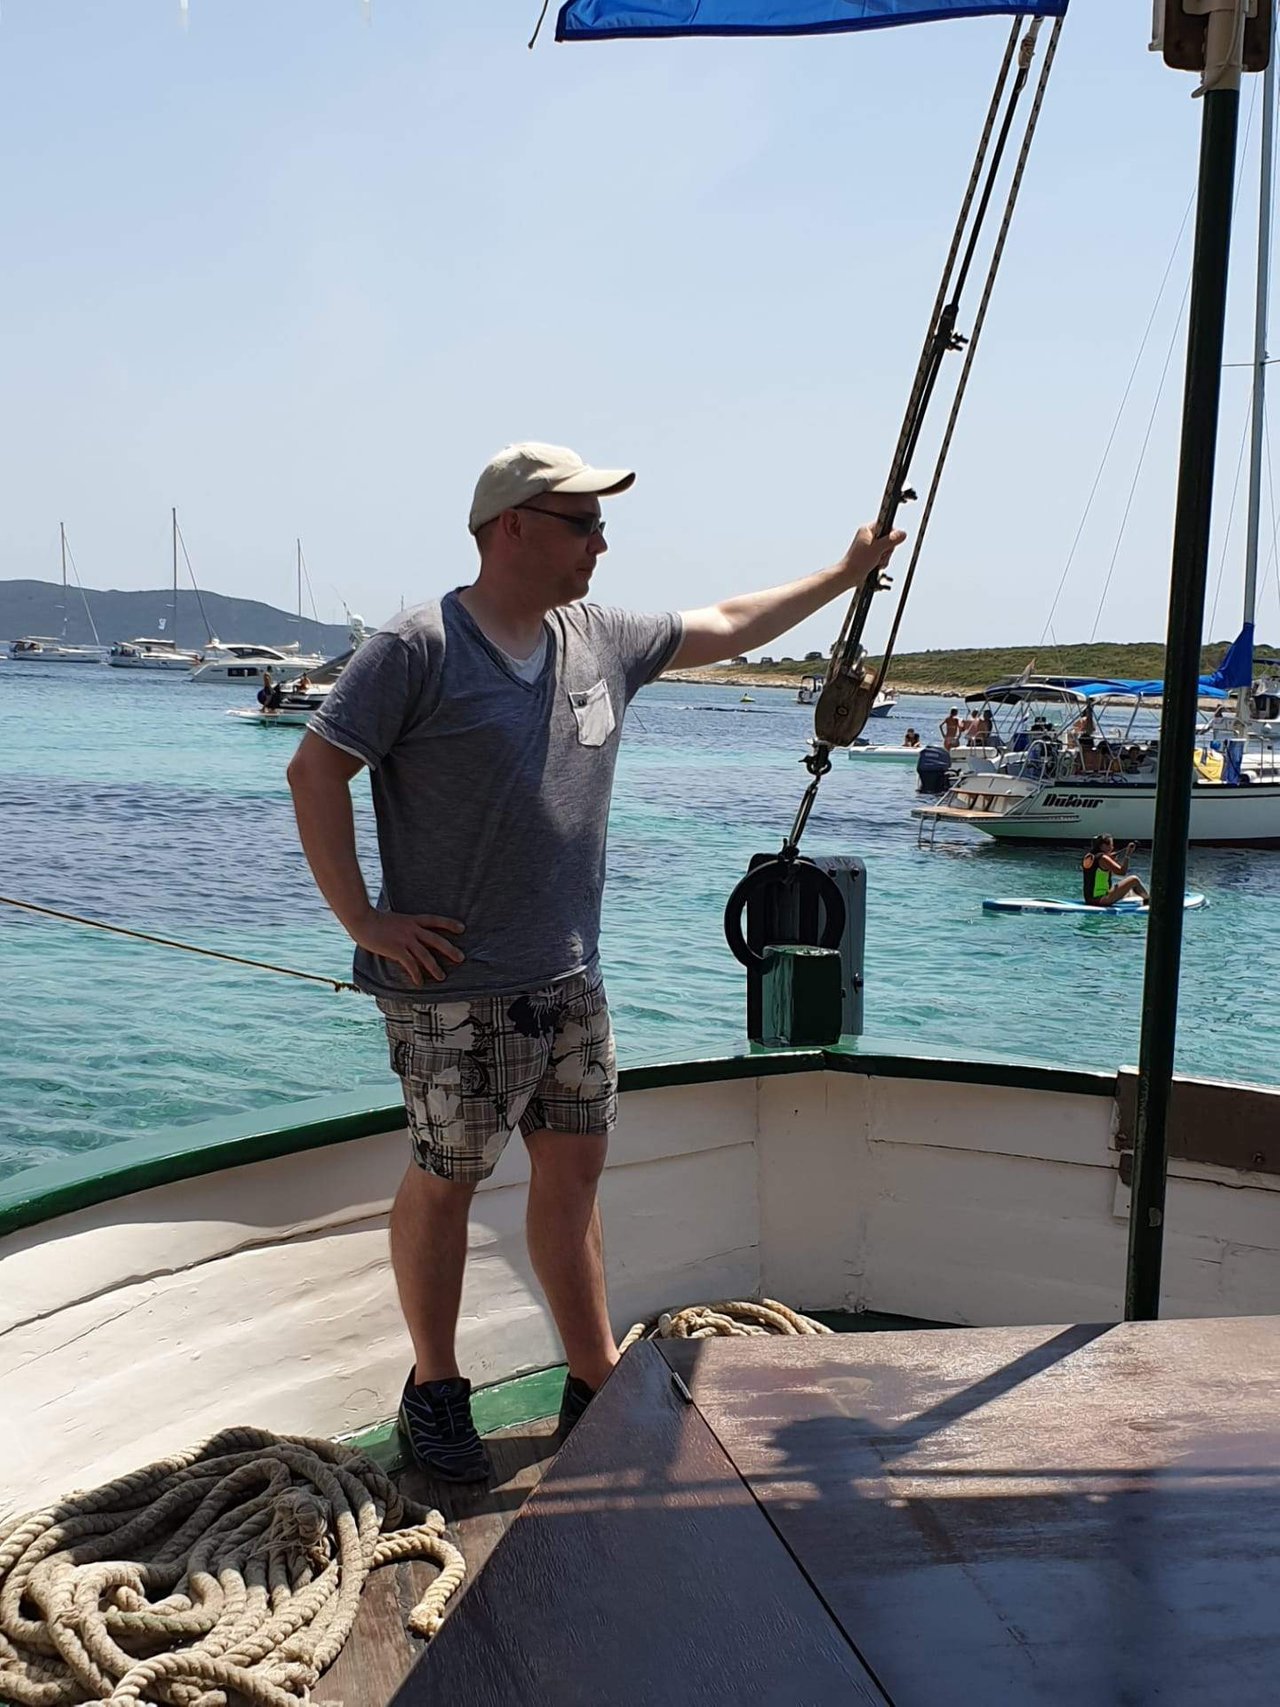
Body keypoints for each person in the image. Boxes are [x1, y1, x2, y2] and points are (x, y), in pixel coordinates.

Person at [286, 440, 905, 1482]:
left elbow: (726, 623)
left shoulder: (599, 639)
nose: (601, 545)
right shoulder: (418, 646)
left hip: (571, 980)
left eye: (601, 526)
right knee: (447, 1179)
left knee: (572, 1178)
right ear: (511, 527)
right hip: (454, 991)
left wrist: (843, 575)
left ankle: (591, 1376)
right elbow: (315, 772)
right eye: (582, 524)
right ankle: (435, 1390)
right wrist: (366, 922)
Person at [1081, 834, 1149, 907]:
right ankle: (1148, 901)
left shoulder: (1088, 856)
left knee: (1128, 892)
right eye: (1111, 845)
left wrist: (1109, 858)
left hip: (1089, 899)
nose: (1112, 848)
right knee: (1134, 880)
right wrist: (1127, 855)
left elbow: (1096, 870)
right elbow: (1122, 872)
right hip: (1102, 899)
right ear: (1103, 846)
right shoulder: (1103, 858)